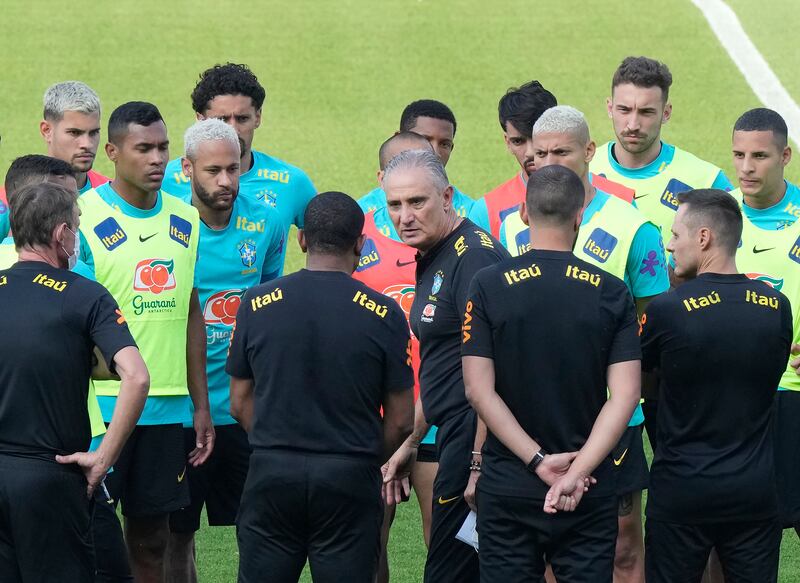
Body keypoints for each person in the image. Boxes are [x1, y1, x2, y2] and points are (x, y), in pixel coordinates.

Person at [498, 105, 668, 583]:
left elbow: (653, 319)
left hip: (612, 412)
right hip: (530, 411)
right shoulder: (513, 223)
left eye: (562, 151)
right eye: (541, 153)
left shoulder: (635, 227)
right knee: (546, 542)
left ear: (589, 151)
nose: (549, 162)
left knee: (623, 545)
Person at [462, 165, 641, 583]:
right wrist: (575, 474)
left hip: (510, 482)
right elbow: (626, 397)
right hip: (588, 485)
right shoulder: (613, 291)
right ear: (580, 215)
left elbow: (477, 390)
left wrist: (538, 461)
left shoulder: (487, 285)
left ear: (524, 213)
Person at [227, 191, 414, 582]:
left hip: (272, 471)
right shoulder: (385, 313)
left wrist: (276, 441)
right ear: (360, 244)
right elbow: (400, 420)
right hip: (349, 476)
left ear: (302, 240)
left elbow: (239, 403)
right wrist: (360, 457)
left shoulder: (256, 303)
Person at [78, 101, 214, 583]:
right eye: (144, 148)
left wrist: (200, 405)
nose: (156, 158)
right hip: (101, 408)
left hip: (166, 410)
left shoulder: (186, 221)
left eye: (162, 147)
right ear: (112, 152)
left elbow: (191, 313)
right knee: (90, 537)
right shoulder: (82, 217)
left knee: (152, 538)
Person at [0, 181, 149, 583]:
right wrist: (104, 460)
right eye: (77, 225)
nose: (78, 235)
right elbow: (135, 376)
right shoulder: (85, 295)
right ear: (60, 234)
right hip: (51, 478)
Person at [641, 189, 790, 582]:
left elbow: (640, 380)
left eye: (675, 234)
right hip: (754, 489)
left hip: (682, 490)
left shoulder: (667, 310)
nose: (670, 246)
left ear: (703, 237)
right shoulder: (778, 306)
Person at [381, 149, 509, 583]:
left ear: (448, 196)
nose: (405, 216)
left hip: (475, 443)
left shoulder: (473, 259)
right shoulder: (437, 252)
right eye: (395, 205)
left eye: (417, 202)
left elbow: (499, 371)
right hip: (455, 436)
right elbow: (444, 369)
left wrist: (478, 463)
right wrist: (412, 443)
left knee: (450, 574)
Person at [166, 119, 284, 582]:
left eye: (233, 169)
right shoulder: (170, 222)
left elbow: (273, 308)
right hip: (180, 410)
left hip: (244, 408)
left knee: (257, 530)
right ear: (187, 168)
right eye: (213, 171)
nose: (225, 182)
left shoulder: (266, 222)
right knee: (176, 533)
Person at [353, 133, 437, 583]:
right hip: (374, 420)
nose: (407, 214)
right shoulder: (356, 234)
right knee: (367, 544)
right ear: (382, 178)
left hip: (439, 416)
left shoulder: (460, 237)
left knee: (446, 544)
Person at [161, 62, 316, 266]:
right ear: (200, 120)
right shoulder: (165, 180)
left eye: (242, 118)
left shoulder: (292, 182)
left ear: (258, 117)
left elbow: (328, 244)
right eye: (222, 119)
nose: (233, 129)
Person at [729, 108, 800, 540]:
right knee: (742, 534)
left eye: (760, 156)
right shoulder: (717, 219)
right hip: (734, 395)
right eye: (738, 155)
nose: (746, 167)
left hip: (792, 391)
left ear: (785, 155)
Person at [0, 81, 108, 241]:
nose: (87, 144)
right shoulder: (9, 202)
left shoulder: (109, 195)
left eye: (93, 133)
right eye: (74, 133)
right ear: (47, 131)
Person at [359, 99, 474, 224]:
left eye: (444, 144)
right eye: (425, 139)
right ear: (400, 138)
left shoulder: (472, 213)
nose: (434, 152)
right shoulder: (361, 214)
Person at [468, 80, 557, 237]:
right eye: (518, 141)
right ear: (507, 142)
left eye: (537, 138)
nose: (530, 152)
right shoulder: (486, 212)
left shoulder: (608, 195)